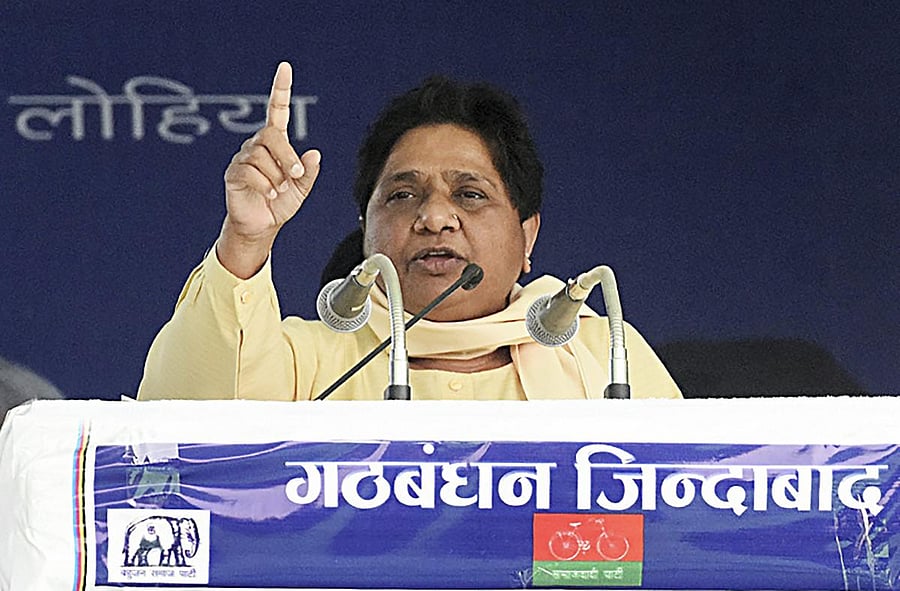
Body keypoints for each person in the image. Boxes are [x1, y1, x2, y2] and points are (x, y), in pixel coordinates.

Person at [138, 62, 681, 401]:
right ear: (366, 229)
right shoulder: (310, 358)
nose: (435, 218)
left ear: (528, 237)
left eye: (470, 194)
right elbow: (185, 423)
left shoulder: (602, 355)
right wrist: (246, 239)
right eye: (403, 195)